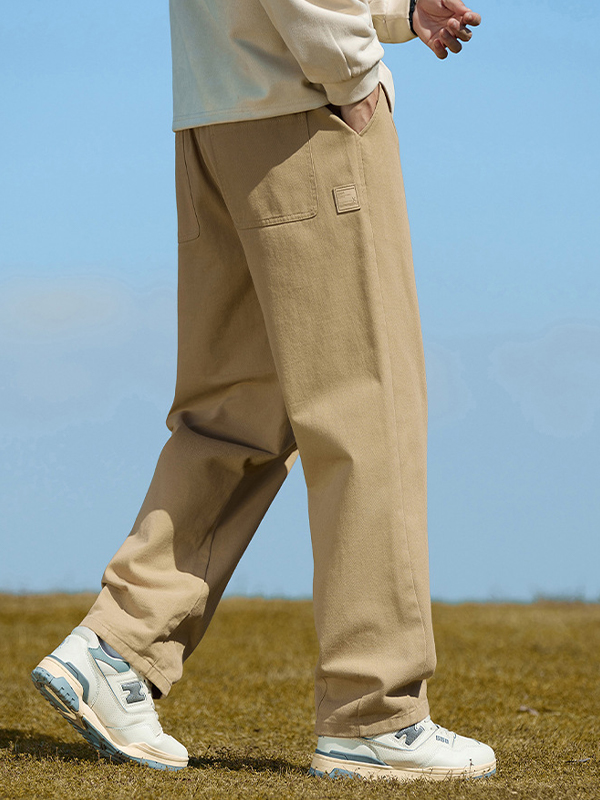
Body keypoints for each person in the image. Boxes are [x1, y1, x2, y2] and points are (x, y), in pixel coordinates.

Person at [31, 0, 496, 781]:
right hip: (305, 111)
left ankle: (117, 648)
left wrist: (399, 10)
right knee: (367, 415)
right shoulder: (328, 84)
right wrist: (351, 72)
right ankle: (373, 713)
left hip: (214, 115)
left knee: (236, 414)